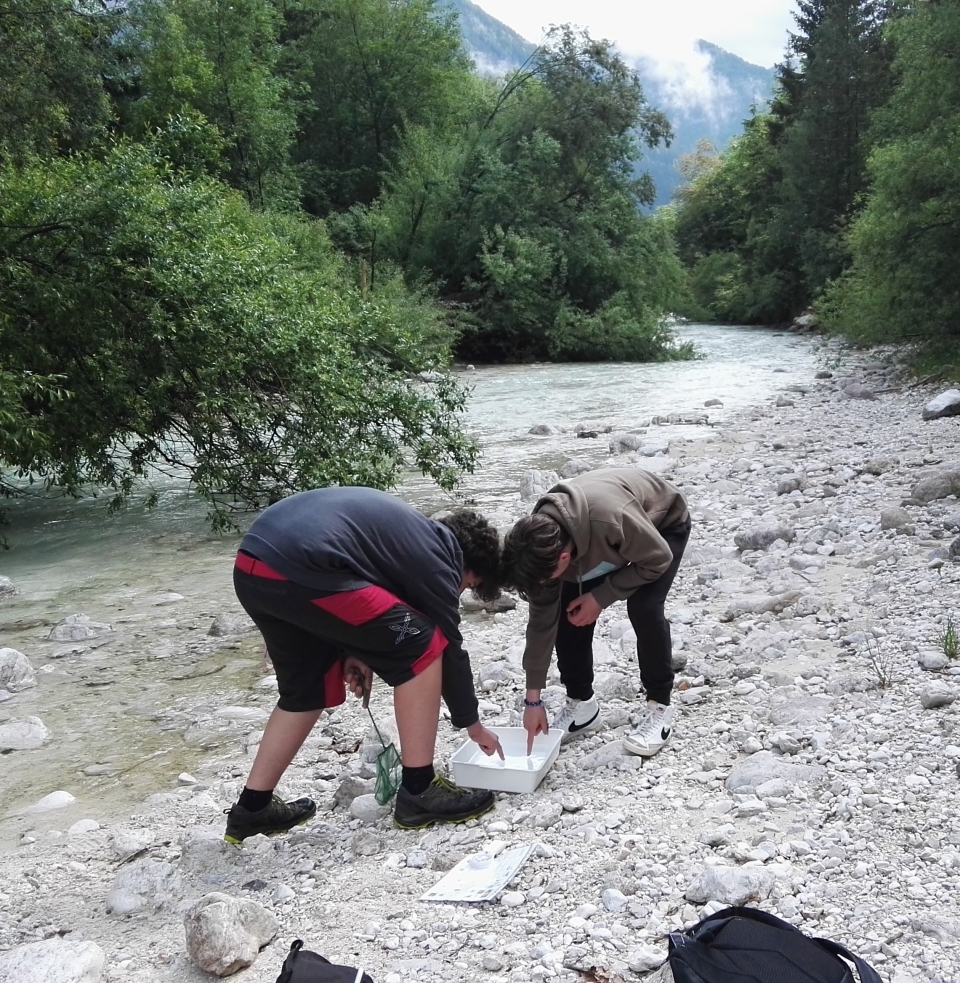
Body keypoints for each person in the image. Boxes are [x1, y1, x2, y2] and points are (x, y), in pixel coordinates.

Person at [222, 486, 505, 843]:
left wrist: (356, 650)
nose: (458, 592)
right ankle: (420, 791)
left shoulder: (406, 539)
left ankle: (252, 808)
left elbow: (356, 596)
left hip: (255, 566)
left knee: (306, 690)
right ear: (469, 567)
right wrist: (472, 725)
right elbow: (449, 648)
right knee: (424, 642)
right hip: (301, 567)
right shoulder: (440, 558)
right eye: (468, 585)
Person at [501, 467, 691, 758]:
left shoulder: (612, 517)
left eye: (547, 578)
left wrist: (601, 596)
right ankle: (583, 706)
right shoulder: (536, 545)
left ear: (564, 559)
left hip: (659, 529)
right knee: (567, 609)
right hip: (597, 545)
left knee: (643, 607)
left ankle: (660, 707)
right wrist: (533, 699)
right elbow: (541, 623)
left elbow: (658, 559)